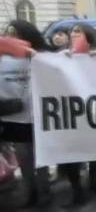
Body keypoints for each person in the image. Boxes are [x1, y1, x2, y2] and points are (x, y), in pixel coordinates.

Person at [0, 20, 52, 207]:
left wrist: (35, 56)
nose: (10, 36)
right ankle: (29, 193)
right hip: (15, 118)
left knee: (42, 158)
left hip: (40, 115)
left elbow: (56, 69)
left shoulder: (41, 53)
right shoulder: (2, 56)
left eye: (14, 33)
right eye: (7, 33)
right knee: (24, 159)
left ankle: (45, 194)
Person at [59, 23, 96, 207]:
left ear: (88, 35)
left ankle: (95, 182)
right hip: (72, 113)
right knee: (73, 153)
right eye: (72, 31)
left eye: (78, 31)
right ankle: (77, 189)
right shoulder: (63, 55)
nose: (74, 34)